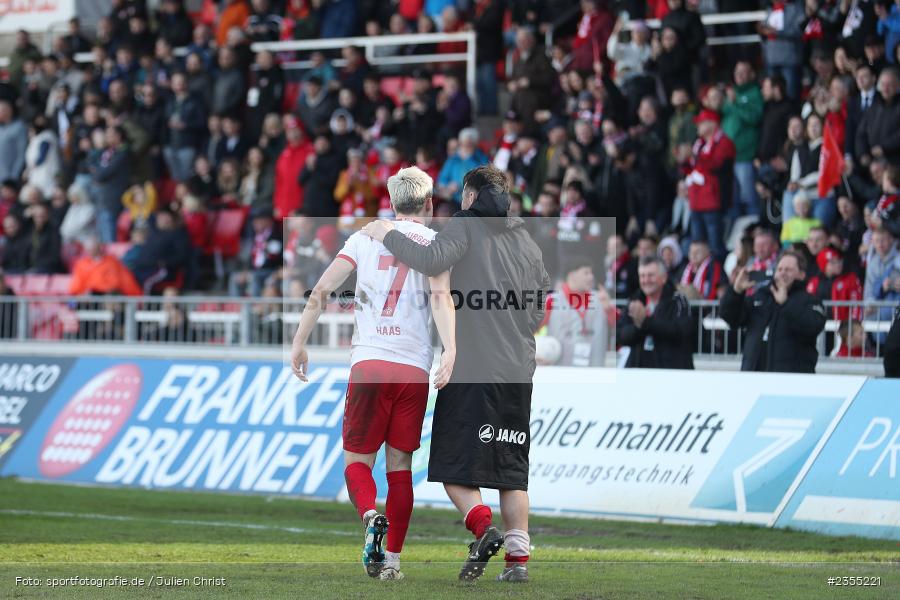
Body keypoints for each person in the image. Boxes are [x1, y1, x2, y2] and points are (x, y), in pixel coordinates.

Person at [362, 165, 550, 583]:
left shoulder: (465, 226)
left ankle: (483, 529)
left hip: (472, 368)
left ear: (471, 196)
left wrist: (386, 234)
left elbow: (431, 261)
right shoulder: (526, 239)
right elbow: (539, 309)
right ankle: (517, 564)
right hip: (519, 370)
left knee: (452, 466)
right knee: (511, 468)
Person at [290, 167, 455, 581]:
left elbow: (323, 289)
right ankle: (393, 563)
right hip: (413, 367)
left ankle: (369, 515)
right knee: (400, 466)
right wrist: (450, 350)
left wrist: (299, 341)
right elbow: (440, 297)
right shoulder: (438, 245)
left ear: (392, 201)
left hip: (369, 363)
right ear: (430, 205)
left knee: (357, 462)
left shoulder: (364, 237)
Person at [721, 250, 826, 373]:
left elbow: (813, 326)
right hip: (753, 376)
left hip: (791, 379)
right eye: (780, 269)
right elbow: (730, 317)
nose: (782, 273)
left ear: (801, 275)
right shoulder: (761, 296)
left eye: (788, 270)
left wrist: (786, 304)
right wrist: (736, 291)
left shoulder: (811, 301)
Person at [617, 256, 694, 369]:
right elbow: (621, 335)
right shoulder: (634, 300)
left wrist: (646, 322)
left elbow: (681, 331)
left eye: (651, 275)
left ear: (663, 278)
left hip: (671, 373)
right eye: (642, 276)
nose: (646, 280)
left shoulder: (678, 301)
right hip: (639, 373)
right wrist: (638, 327)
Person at [542, 256, 609, 367]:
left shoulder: (602, 299)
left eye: (591, 273)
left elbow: (621, 332)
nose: (591, 277)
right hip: (560, 376)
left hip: (594, 376)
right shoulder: (551, 301)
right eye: (586, 273)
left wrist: (609, 310)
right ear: (572, 275)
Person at [69, 236, 142, 296]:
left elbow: (117, 282)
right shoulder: (82, 264)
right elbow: (76, 288)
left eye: (94, 249)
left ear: (100, 247)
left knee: (112, 295)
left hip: (108, 295)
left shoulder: (112, 262)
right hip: (90, 298)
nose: (91, 252)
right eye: (89, 250)